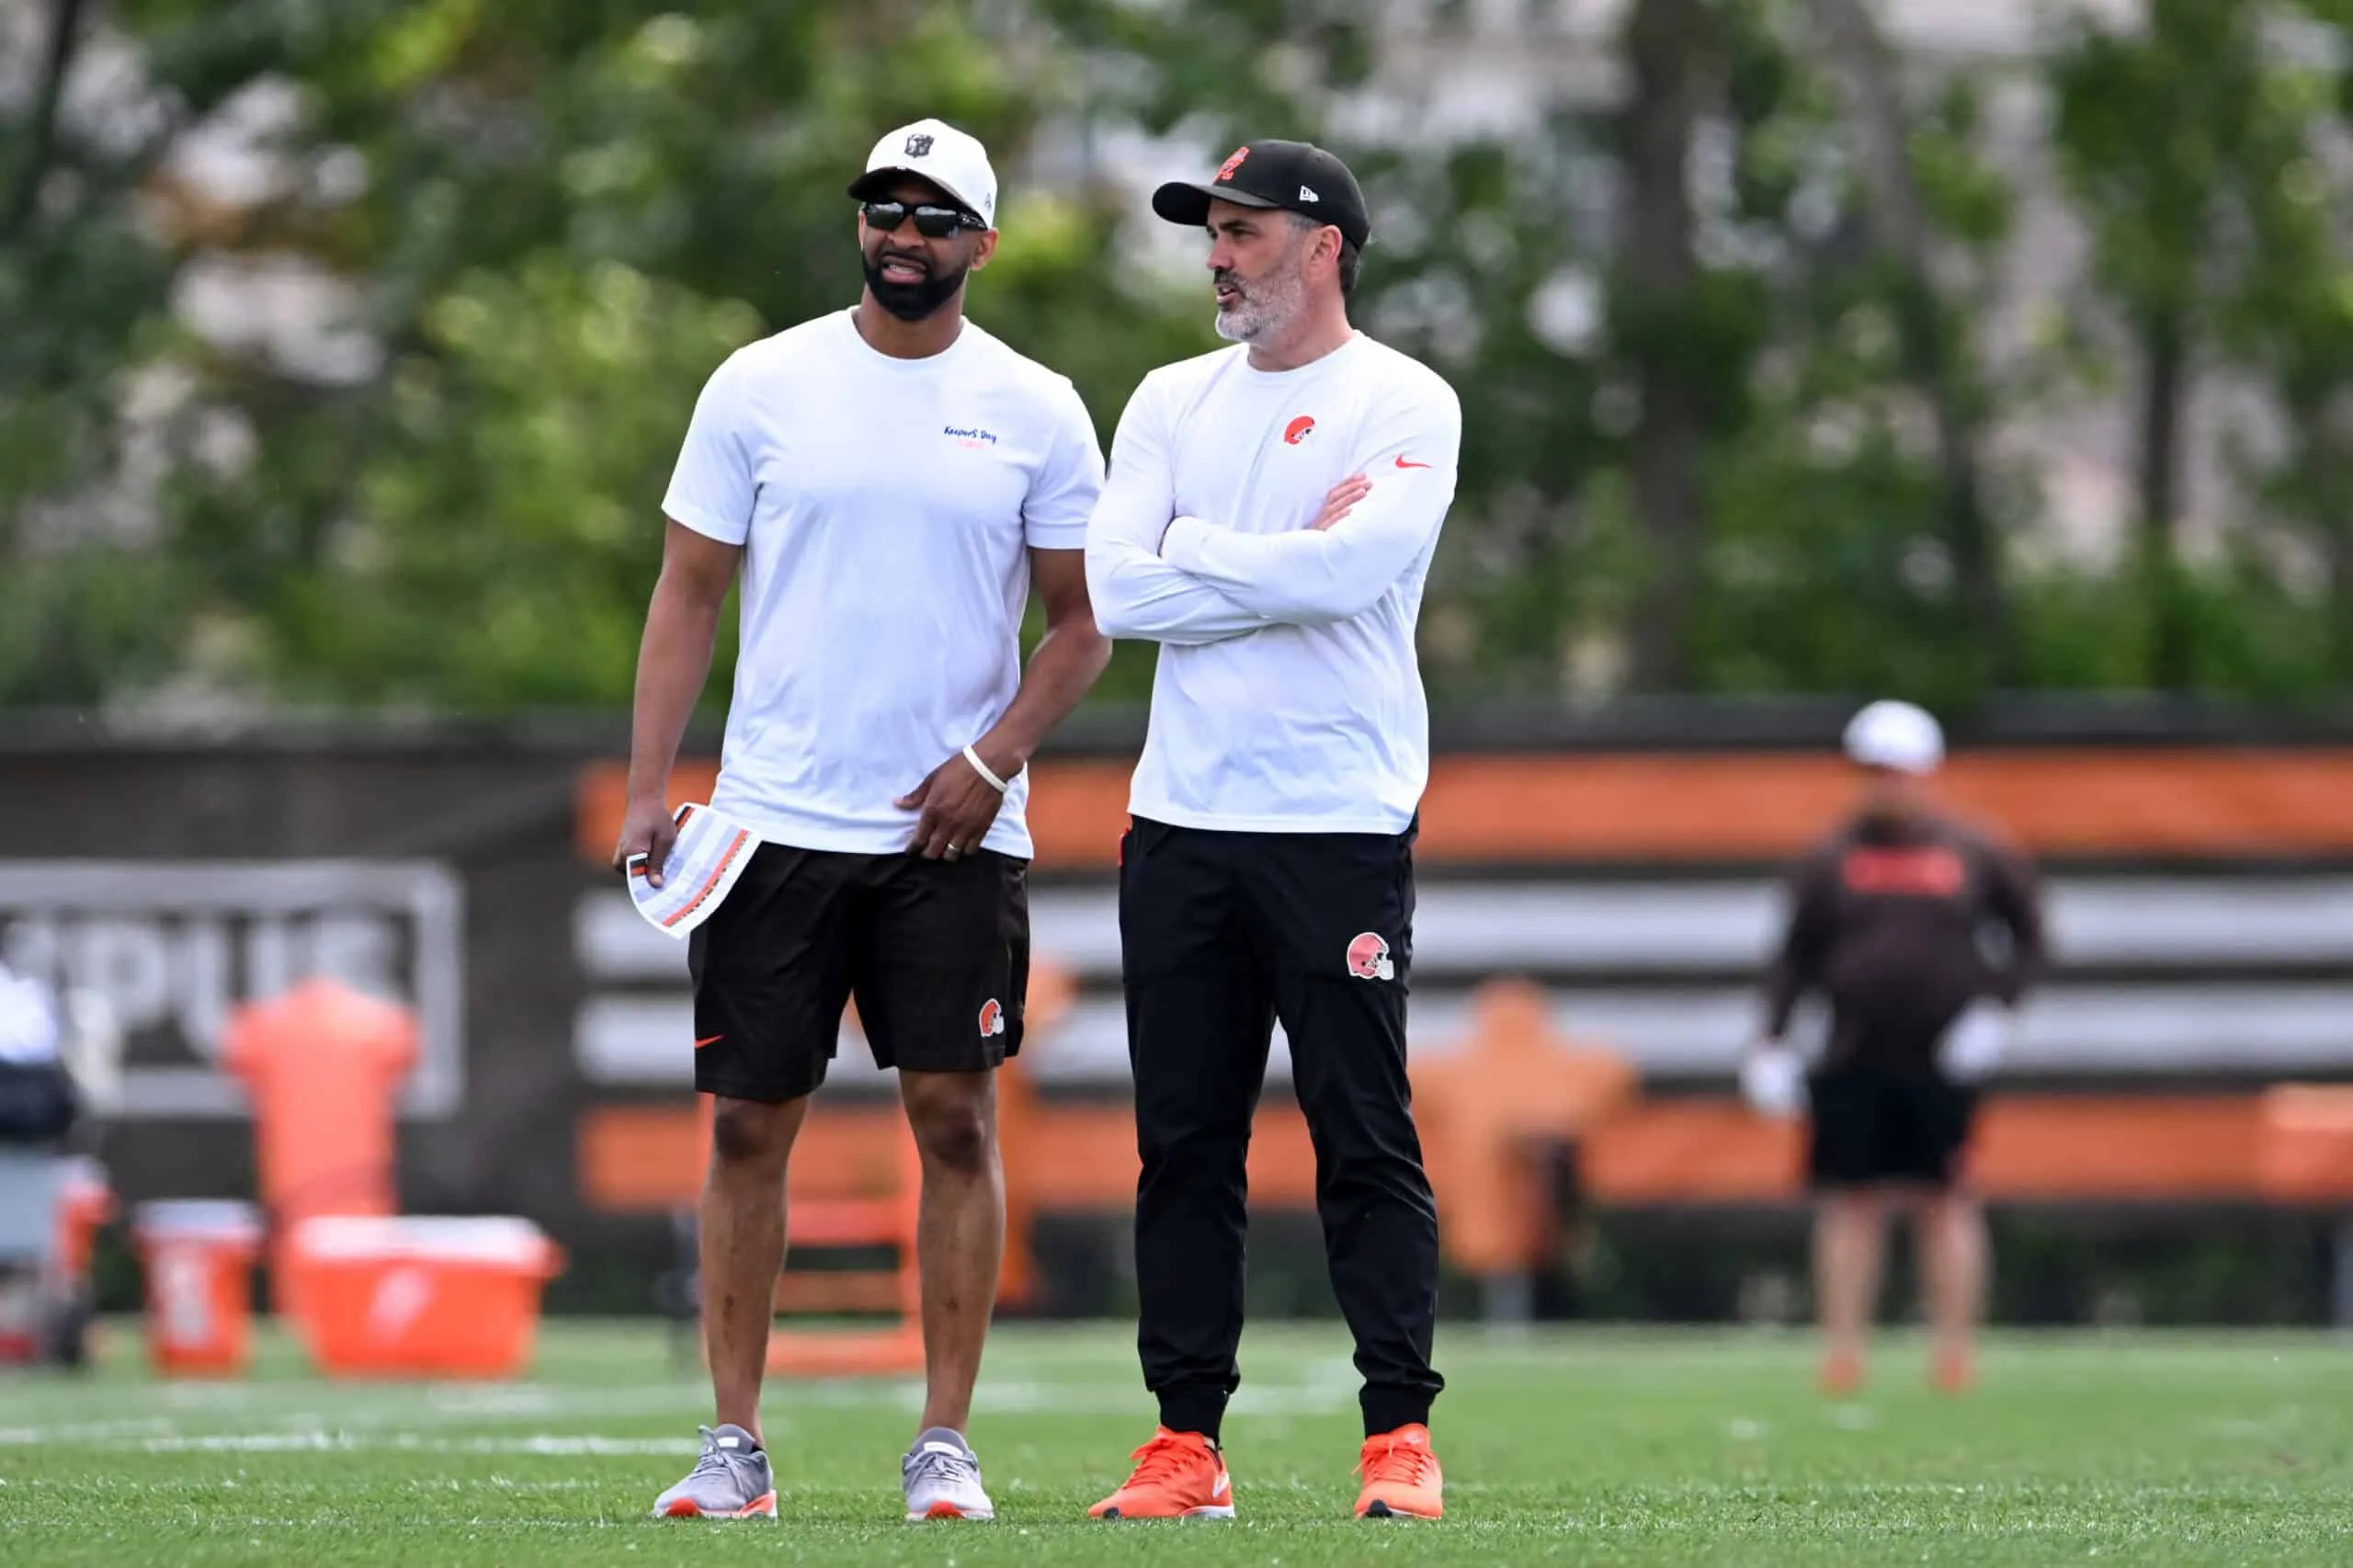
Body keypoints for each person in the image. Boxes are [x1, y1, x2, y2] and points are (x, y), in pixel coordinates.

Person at [615, 117, 1110, 1523]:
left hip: (951, 837)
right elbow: (687, 593)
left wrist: (992, 759)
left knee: (954, 1122)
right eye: (883, 206)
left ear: (983, 245)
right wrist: (652, 786)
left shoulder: (1036, 403)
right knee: (745, 1128)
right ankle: (733, 1445)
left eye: (934, 213)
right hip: (772, 824)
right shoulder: (761, 383)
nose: (903, 231)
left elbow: (1082, 628)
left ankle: (943, 1442)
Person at [1083, 140, 1457, 1522]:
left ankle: (1397, 1437)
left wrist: (1199, 546)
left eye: (1243, 231)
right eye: (1212, 232)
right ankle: (1186, 1444)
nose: (1218, 256)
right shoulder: (1171, 397)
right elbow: (1115, 594)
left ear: (1324, 246)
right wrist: (1276, 567)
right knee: (1185, 1142)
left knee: (1362, 1134)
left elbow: (1358, 569)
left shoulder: (1405, 398)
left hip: (1337, 824)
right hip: (1180, 821)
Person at [1743, 699, 2047, 1396]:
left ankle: (1954, 1355)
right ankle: (1843, 1354)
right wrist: (1771, 1041)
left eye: (1897, 771)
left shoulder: (1976, 849)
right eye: (1874, 771)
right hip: (1852, 1050)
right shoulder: (1829, 857)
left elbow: (2030, 938)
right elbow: (1796, 956)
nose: (1886, 785)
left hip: (1943, 1057)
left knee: (1947, 1201)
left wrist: (1997, 1013)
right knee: (1850, 1204)